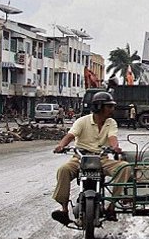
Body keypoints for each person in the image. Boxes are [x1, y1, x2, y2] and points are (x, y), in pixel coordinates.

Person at [50, 90, 126, 225]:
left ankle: (112, 207)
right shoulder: (82, 121)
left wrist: (115, 147)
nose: (112, 109)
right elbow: (71, 135)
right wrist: (61, 145)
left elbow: (112, 137)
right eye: (109, 106)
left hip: (101, 159)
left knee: (124, 168)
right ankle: (64, 210)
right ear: (99, 107)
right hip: (80, 158)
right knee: (63, 170)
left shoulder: (111, 122)